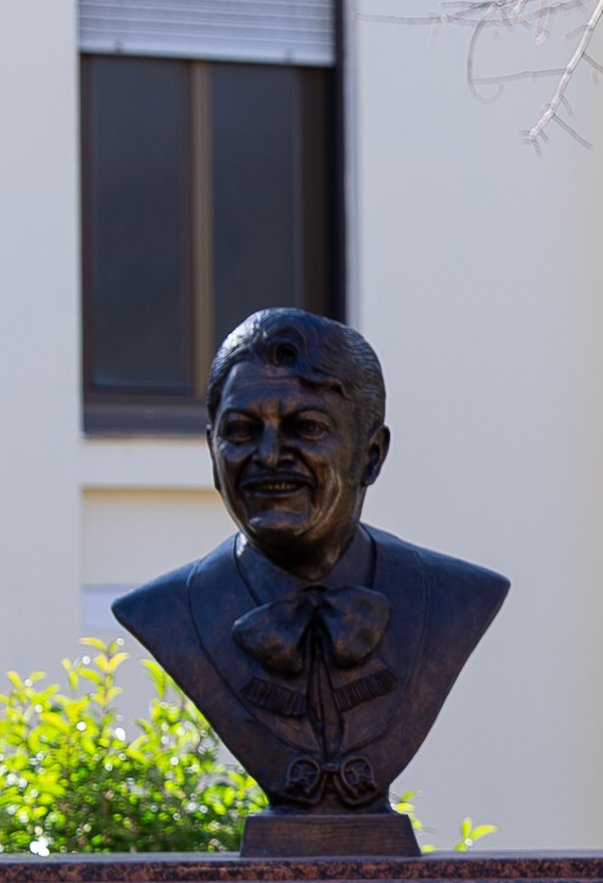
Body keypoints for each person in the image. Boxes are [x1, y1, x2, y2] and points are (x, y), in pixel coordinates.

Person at [114, 309, 508, 838]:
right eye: (241, 431)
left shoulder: (455, 598)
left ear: (371, 455)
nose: (269, 456)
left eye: (307, 428)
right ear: (212, 453)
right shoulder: (166, 611)